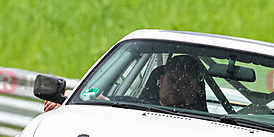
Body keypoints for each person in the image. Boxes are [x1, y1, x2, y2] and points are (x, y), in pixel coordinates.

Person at [43, 54, 207, 112]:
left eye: (185, 83)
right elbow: (101, 100)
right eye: (172, 80)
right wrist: (74, 96)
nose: (176, 87)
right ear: (161, 80)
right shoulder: (128, 107)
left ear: (197, 89)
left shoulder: (209, 126)